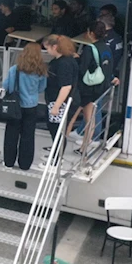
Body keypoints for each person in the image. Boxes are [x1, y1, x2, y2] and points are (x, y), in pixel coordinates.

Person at [66, 21, 116, 153]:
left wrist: (77, 59)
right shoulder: (107, 47)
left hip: (88, 87)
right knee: (91, 117)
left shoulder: (89, 48)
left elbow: (83, 69)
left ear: (91, 33)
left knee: (75, 115)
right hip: (101, 86)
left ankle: (65, 142)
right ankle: (85, 145)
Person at [3, 44, 47, 170]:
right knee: (28, 135)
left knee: (11, 134)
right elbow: (41, 88)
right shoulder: (40, 71)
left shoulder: (14, 69)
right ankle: (25, 164)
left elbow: (7, 86)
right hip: (32, 106)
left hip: (15, 106)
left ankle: (9, 162)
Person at [41, 35, 80, 168]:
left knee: (57, 130)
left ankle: (56, 160)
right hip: (58, 100)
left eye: (48, 48)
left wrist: (57, 105)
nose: (47, 51)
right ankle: (56, 155)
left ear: (55, 47)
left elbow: (66, 86)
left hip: (61, 102)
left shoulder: (64, 63)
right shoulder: (65, 60)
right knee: (56, 130)